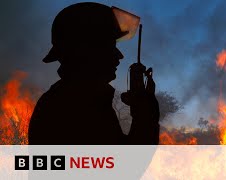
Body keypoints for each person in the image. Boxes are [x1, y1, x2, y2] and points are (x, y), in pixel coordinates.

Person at [28, 2, 160, 145]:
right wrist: (145, 114)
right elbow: (127, 165)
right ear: (86, 51)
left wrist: (143, 111)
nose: (119, 55)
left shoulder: (76, 99)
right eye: (110, 46)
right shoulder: (76, 107)